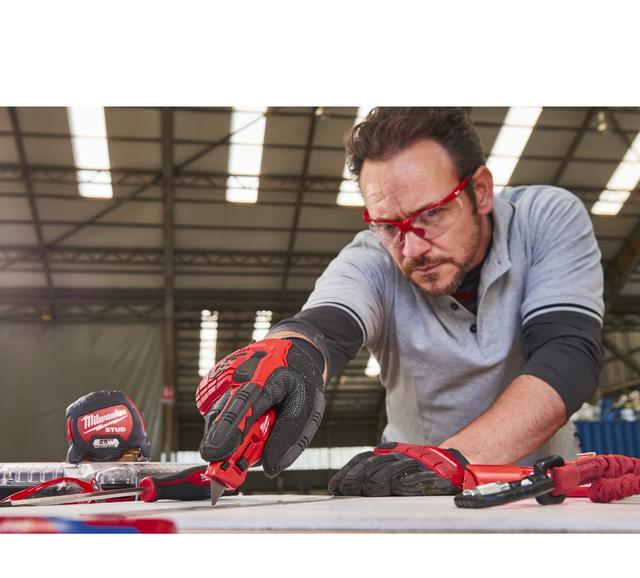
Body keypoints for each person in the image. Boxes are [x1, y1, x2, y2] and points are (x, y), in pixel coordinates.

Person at [197, 107, 604, 497]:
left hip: (543, 483)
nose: (411, 249)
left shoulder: (546, 219)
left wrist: (453, 459)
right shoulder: (371, 260)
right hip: (412, 489)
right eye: (388, 225)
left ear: (480, 191)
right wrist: (289, 354)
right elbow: (324, 325)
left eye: (431, 214)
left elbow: (567, 355)